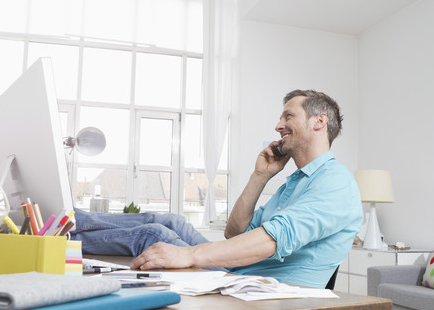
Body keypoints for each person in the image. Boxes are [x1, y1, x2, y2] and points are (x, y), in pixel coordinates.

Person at [71, 89, 363, 288]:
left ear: (319, 122)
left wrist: (190, 255)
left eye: (288, 116)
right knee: (170, 222)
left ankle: (57, 238)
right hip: (236, 273)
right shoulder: (296, 182)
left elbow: (272, 240)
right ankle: (65, 219)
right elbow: (235, 233)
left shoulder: (335, 183)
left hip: (259, 290)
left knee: (155, 235)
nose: (278, 125)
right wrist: (260, 176)